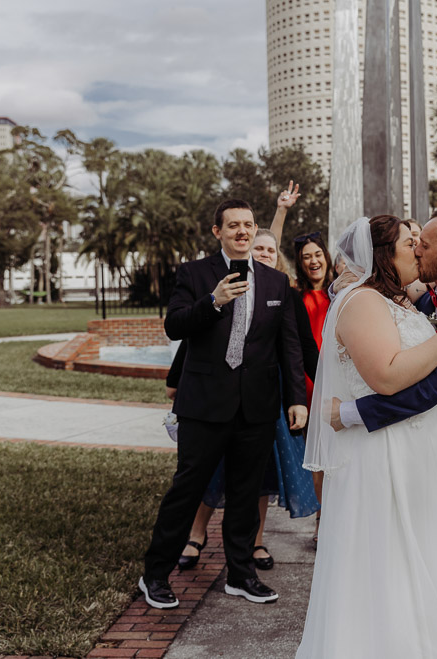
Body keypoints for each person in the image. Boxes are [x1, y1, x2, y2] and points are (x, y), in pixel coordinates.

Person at [296, 215, 437, 657]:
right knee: (410, 559)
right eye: (410, 242)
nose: (418, 248)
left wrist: (351, 411)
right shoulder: (397, 300)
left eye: (423, 242)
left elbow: (431, 387)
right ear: (385, 255)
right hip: (403, 452)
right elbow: (392, 372)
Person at [139, 198, 307, 610]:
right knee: (187, 490)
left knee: (246, 495)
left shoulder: (274, 282)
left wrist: (297, 399)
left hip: (256, 407)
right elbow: (174, 325)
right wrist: (212, 302)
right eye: (233, 226)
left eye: (248, 225)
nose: (242, 232)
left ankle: (241, 575)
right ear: (218, 232)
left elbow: (289, 347)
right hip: (204, 406)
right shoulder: (194, 273)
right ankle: (155, 575)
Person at [168, 224, 320, 573]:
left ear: (277, 259)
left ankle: (255, 540)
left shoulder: (285, 292)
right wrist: (175, 379)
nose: (264, 253)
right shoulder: (228, 286)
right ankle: (196, 532)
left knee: (260, 472)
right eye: (259, 249)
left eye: (270, 250)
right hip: (220, 392)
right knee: (212, 467)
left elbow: (299, 348)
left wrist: (315, 388)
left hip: (267, 395)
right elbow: (194, 340)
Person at [293, 230, 334, 543]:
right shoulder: (295, 296)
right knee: (317, 458)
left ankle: (342, 515)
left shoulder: (341, 291)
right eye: (306, 257)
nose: (313, 261)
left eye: (317, 254)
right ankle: (324, 519)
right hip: (308, 386)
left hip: (338, 382)